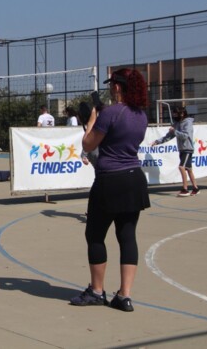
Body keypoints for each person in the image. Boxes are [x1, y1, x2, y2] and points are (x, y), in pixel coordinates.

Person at [70, 68, 150, 312]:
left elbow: (88, 143)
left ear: (118, 86)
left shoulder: (111, 113)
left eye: (112, 84)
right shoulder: (141, 115)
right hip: (134, 178)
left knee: (95, 235)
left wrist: (93, 118)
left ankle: (96, 290)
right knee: (127, 237)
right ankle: (124, 296)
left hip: (109, 180)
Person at [150, 106, 199, 197]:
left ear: (182, 113)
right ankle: (195, 188)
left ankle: (185, 189)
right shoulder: (176, 123)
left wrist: (175, 131)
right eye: (173, 114)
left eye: (175, 114)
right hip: (182, 149)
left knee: (181, 167)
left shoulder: (187, 123)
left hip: (187, 148)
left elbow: (185, 136)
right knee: (188, 169)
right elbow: (169, 136)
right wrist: (157, 142)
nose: (174, 116)